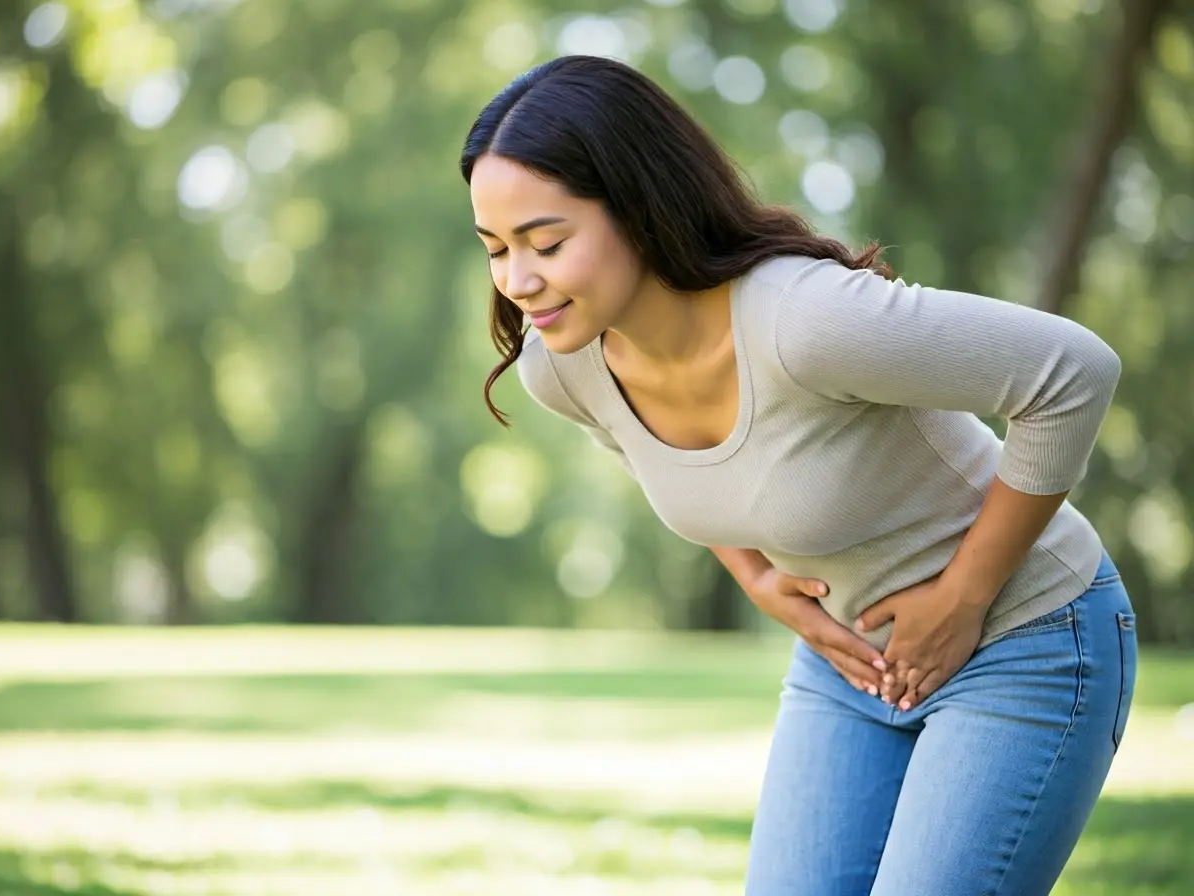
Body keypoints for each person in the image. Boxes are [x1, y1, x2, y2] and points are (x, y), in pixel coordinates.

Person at [460, 54, 1137, 896]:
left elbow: (1072, 373)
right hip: (848, 668)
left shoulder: (803, 321)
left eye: (547, 242)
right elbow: (665, 461)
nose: (518, 281)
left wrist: (962, 595)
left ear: (638, 207)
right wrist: (750, 574)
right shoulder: (563, 368)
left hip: (1026, 636)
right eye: (495, 248)